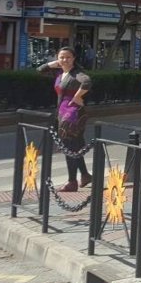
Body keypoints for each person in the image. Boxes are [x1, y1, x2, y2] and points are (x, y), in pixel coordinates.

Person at [38, 47, 92, 192]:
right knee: (75, 147)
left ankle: (72, 181)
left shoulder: (76, 74)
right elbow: (40, 70)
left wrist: (77, 96)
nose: (64, 60)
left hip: (73, 114)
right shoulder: (60, 73)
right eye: (61, 57)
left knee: (69, 147)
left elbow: (87, 82)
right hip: (62, 112)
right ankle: (85, 175)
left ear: (74, 58)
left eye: (68, 57)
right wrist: (55, 63)